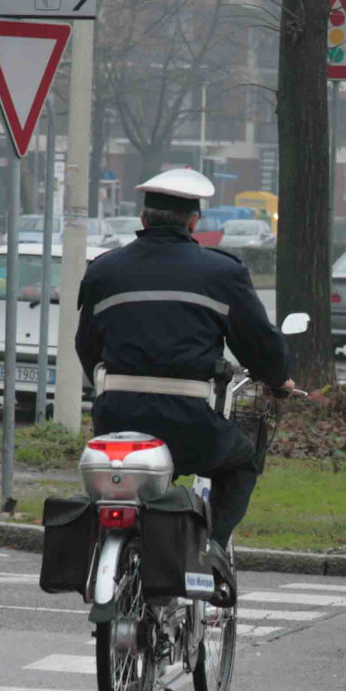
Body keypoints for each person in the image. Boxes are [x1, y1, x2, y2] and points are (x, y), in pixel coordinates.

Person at [74, 168, 294, 582]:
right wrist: (278, 380)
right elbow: (259, 345)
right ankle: (212, 550)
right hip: (192, 425)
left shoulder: (104, 271)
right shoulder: (222, 273)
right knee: (243, 461)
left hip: (117, 423)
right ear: (195, 223)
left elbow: (86, 346)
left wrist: (109, 390)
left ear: (143, 220)